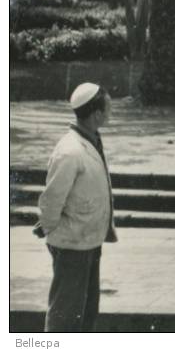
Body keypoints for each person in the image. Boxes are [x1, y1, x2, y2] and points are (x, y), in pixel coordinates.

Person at [35, 83, 117, 332]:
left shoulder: (91, 141)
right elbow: (52, 199)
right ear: (97, 115)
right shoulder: (70, 152)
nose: (111, 113)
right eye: (109, 108)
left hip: (89, 241)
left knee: (87, 311)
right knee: (65, 315)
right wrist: (50, 230)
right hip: (72, 244)